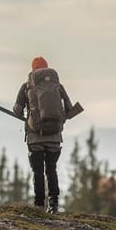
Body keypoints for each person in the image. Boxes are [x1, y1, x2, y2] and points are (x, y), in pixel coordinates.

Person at [12, 56, 73, 213]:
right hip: (54, 137)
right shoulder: (57, 86)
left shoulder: (26, 86)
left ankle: (39, 205)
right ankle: (54, 204)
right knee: (51, 169)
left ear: (32, 70)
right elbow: (70, 108)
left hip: (35, 137)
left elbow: (17, 110)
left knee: (37, 171)